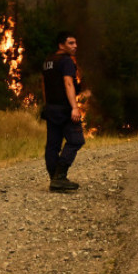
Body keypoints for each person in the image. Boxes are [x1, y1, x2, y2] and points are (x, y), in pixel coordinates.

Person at [42, 31, 85, 192]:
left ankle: (54, 178)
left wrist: (47, 105)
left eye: (75, 43)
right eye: (71, 43)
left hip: (51, 108)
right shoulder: (66, 61)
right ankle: (59, 176)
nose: (75, 46)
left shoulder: (48, 61)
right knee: (76, 140)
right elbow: (68, 83)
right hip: (65, 109)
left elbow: (44, 85)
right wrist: (74, 107)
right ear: (61, 45)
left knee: (53, 145)